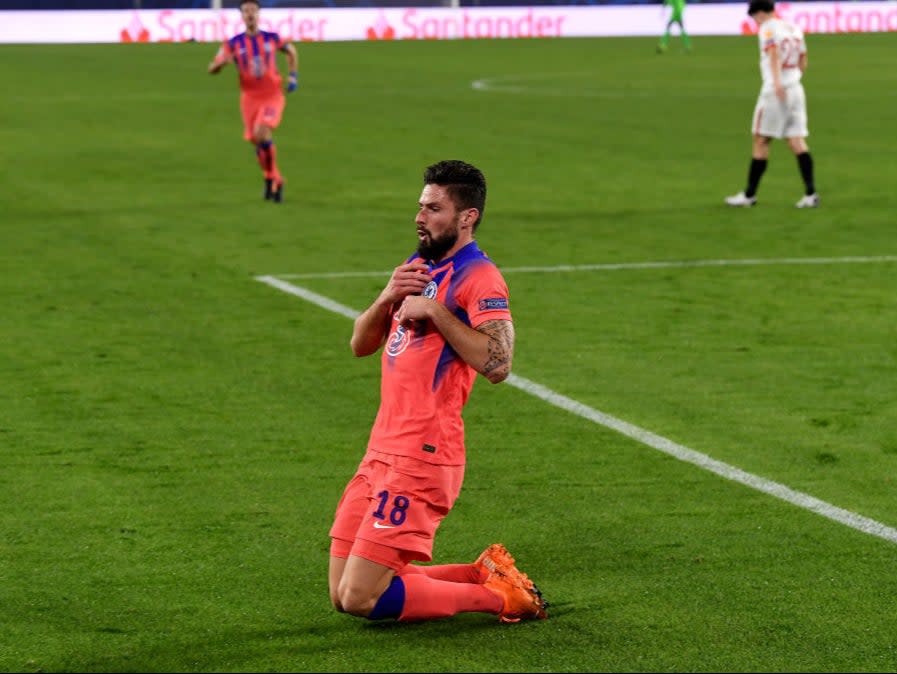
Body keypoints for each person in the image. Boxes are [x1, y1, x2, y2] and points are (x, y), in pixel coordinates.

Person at [327, 160, 548, 625]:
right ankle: (480, 574)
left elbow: (498, 363)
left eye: (433, 208)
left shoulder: (479, 276)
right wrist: (387, 296)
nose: (420, 217)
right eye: (420, 206)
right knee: (341, 592)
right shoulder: (418, 268)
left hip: (422, 455)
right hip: (380, 451)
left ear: (467, 217)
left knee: (361, 599)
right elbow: (359, 344)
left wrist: (438, 313)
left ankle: (503, 599)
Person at [725, 0, 819, 208]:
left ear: (758, 14)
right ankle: (811, 194)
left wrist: (777, 83)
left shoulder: (767, 28)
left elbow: (773, 52)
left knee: (760, 140)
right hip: (796, 89)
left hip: (776, 92)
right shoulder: (793, 28)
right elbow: (804, 58)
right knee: (797, 141)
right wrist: (793, 80)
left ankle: (749, 196)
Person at [208, 0, 298, 204]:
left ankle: (277, 180)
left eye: (253, 11)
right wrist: (221, 63)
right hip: (249, 98)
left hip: (272, 95)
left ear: (259, 14)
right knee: (258, 141)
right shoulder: (233, 43)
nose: (250, 14)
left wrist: (293, 76)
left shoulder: (271, 38)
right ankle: (269, 178)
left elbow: (291, 51)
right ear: (241, 16)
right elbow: (211, 68)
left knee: (262, 132)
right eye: (246, 11)